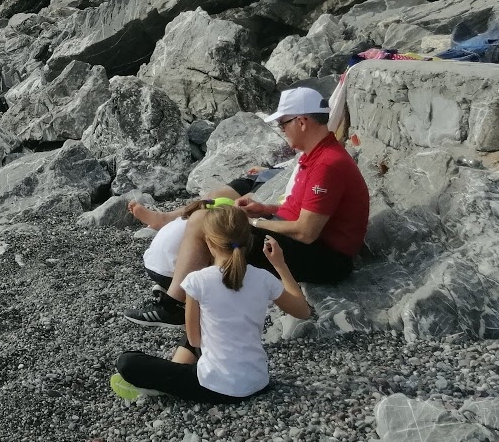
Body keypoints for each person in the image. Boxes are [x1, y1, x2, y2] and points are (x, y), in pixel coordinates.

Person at [123, 85, 369, 329]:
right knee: (214, 218)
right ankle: (187, 293)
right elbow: (305, 211)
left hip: (326, 260)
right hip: (310, 245)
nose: (282, 130)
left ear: (302, 121)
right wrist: (263, 208)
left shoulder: (327, 164)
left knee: (207, 223)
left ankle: (175, 306)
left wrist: (253, 222)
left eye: (284, 123)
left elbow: (307, 231)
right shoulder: (315, 155)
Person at [112, 205, 312, 403]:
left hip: (214, 387)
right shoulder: (263, 278)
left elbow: (195, 340)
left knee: (127, 362)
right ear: (248, 240)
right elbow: (303, 312)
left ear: (208, 241)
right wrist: (280, 265)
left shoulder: (197, 281)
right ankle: (170, 377)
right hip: (258, 383)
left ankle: (164, 384)